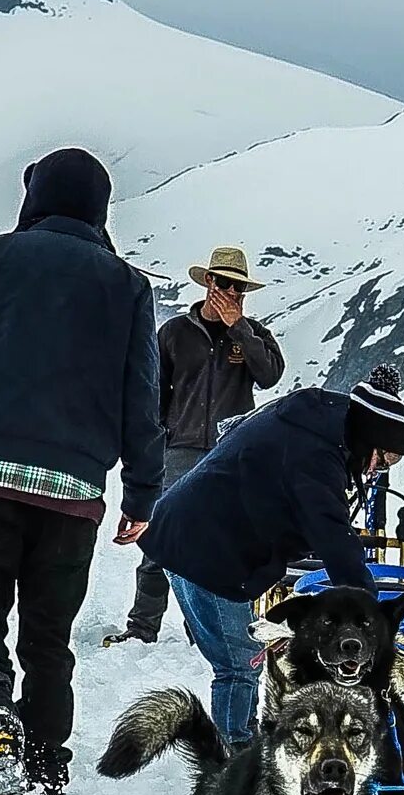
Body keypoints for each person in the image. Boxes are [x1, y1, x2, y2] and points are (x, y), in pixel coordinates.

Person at [0, 146, 164, 795]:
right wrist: (140, 495)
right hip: (72, 492)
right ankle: (47, 768)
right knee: (49, 641)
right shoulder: (129, 286)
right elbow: (143, 400)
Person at [137, 364, 404, 744]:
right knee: (238, 664)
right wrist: (372, 612)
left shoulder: (321, 423)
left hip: (197, 536)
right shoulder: (316, 454)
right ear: (372, 439)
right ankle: (233, 761)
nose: (378, 471)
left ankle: (239, 744)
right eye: (383, 461)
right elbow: (333, 535)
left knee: (240, 659)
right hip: (205, 551)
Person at [109, 244, 285, 645]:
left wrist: (239, 326)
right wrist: (154, 444)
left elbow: (271, 375)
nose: (230, 293)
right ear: (208, 282)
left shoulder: (253, 334)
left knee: (221, 543)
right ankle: (142, 628)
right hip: (179, 450)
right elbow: (153, 393)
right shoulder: (173, 333)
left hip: (230, 453)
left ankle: (203, 632)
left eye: (238, 288)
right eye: (224, 283)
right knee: (159, 537)